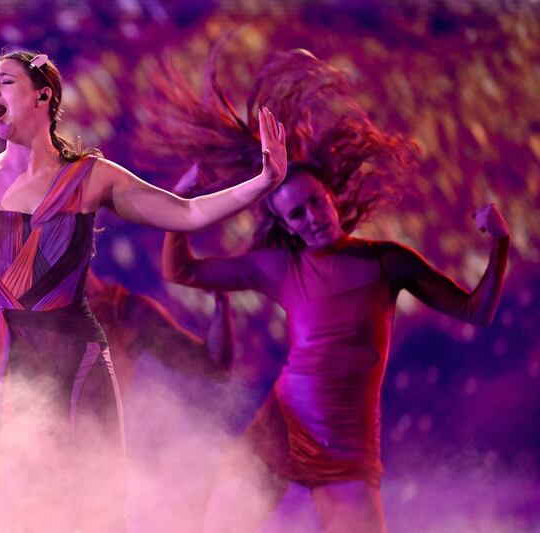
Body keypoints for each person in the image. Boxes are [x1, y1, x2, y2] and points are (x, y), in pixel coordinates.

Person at [0, 48, 286, 531]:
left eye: (5, 82)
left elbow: (187, 214)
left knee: (78, 504)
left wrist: (265, 181)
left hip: (72, 359)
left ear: (44, 95)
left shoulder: (90, 177)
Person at [151, 49, 510, 532]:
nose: (311, 218)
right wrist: (184, 200)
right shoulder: (281, 267)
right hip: (282, 421)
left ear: (331, 197)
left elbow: (475, 310)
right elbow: (181, 272)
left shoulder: (387, 260)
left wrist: (500, 243)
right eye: (296, 214)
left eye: (315, 204)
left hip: (347, 441)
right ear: (285, 224)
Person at [0, 216, 236, 388]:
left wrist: (221, 299)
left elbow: (212, 366)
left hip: (86, 466)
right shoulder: (12, 298)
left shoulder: (126, 312)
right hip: (20, 453)